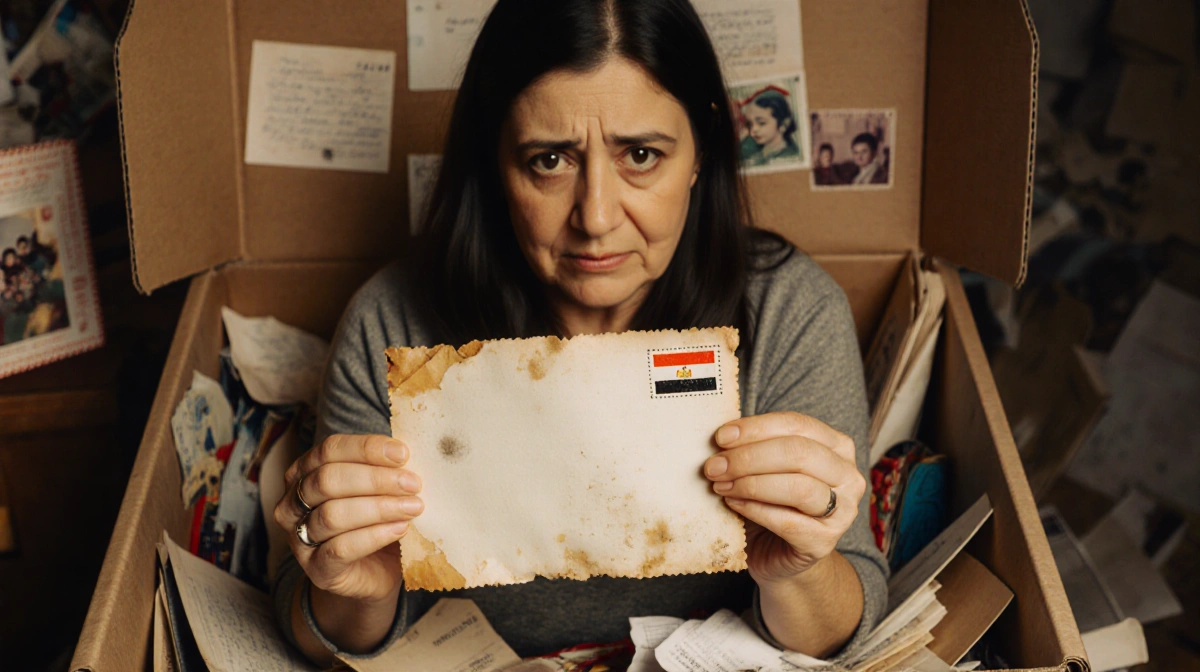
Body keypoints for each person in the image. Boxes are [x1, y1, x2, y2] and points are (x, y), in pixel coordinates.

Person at [271, 0, 887, 666]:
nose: (595, 217)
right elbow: (314, 627)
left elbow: (848, 617)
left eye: (642, 155)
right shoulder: (392, 321)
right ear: (494, 163)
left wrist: (797, 572)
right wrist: (355, 590)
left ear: (701, 150)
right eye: (549, 161)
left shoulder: (788, 313)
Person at [739, 89, 800, 167]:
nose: (753, 129)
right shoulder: (754, 155)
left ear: (783, 124)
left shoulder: (791, 157)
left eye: (761, 123)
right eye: (750, 124)